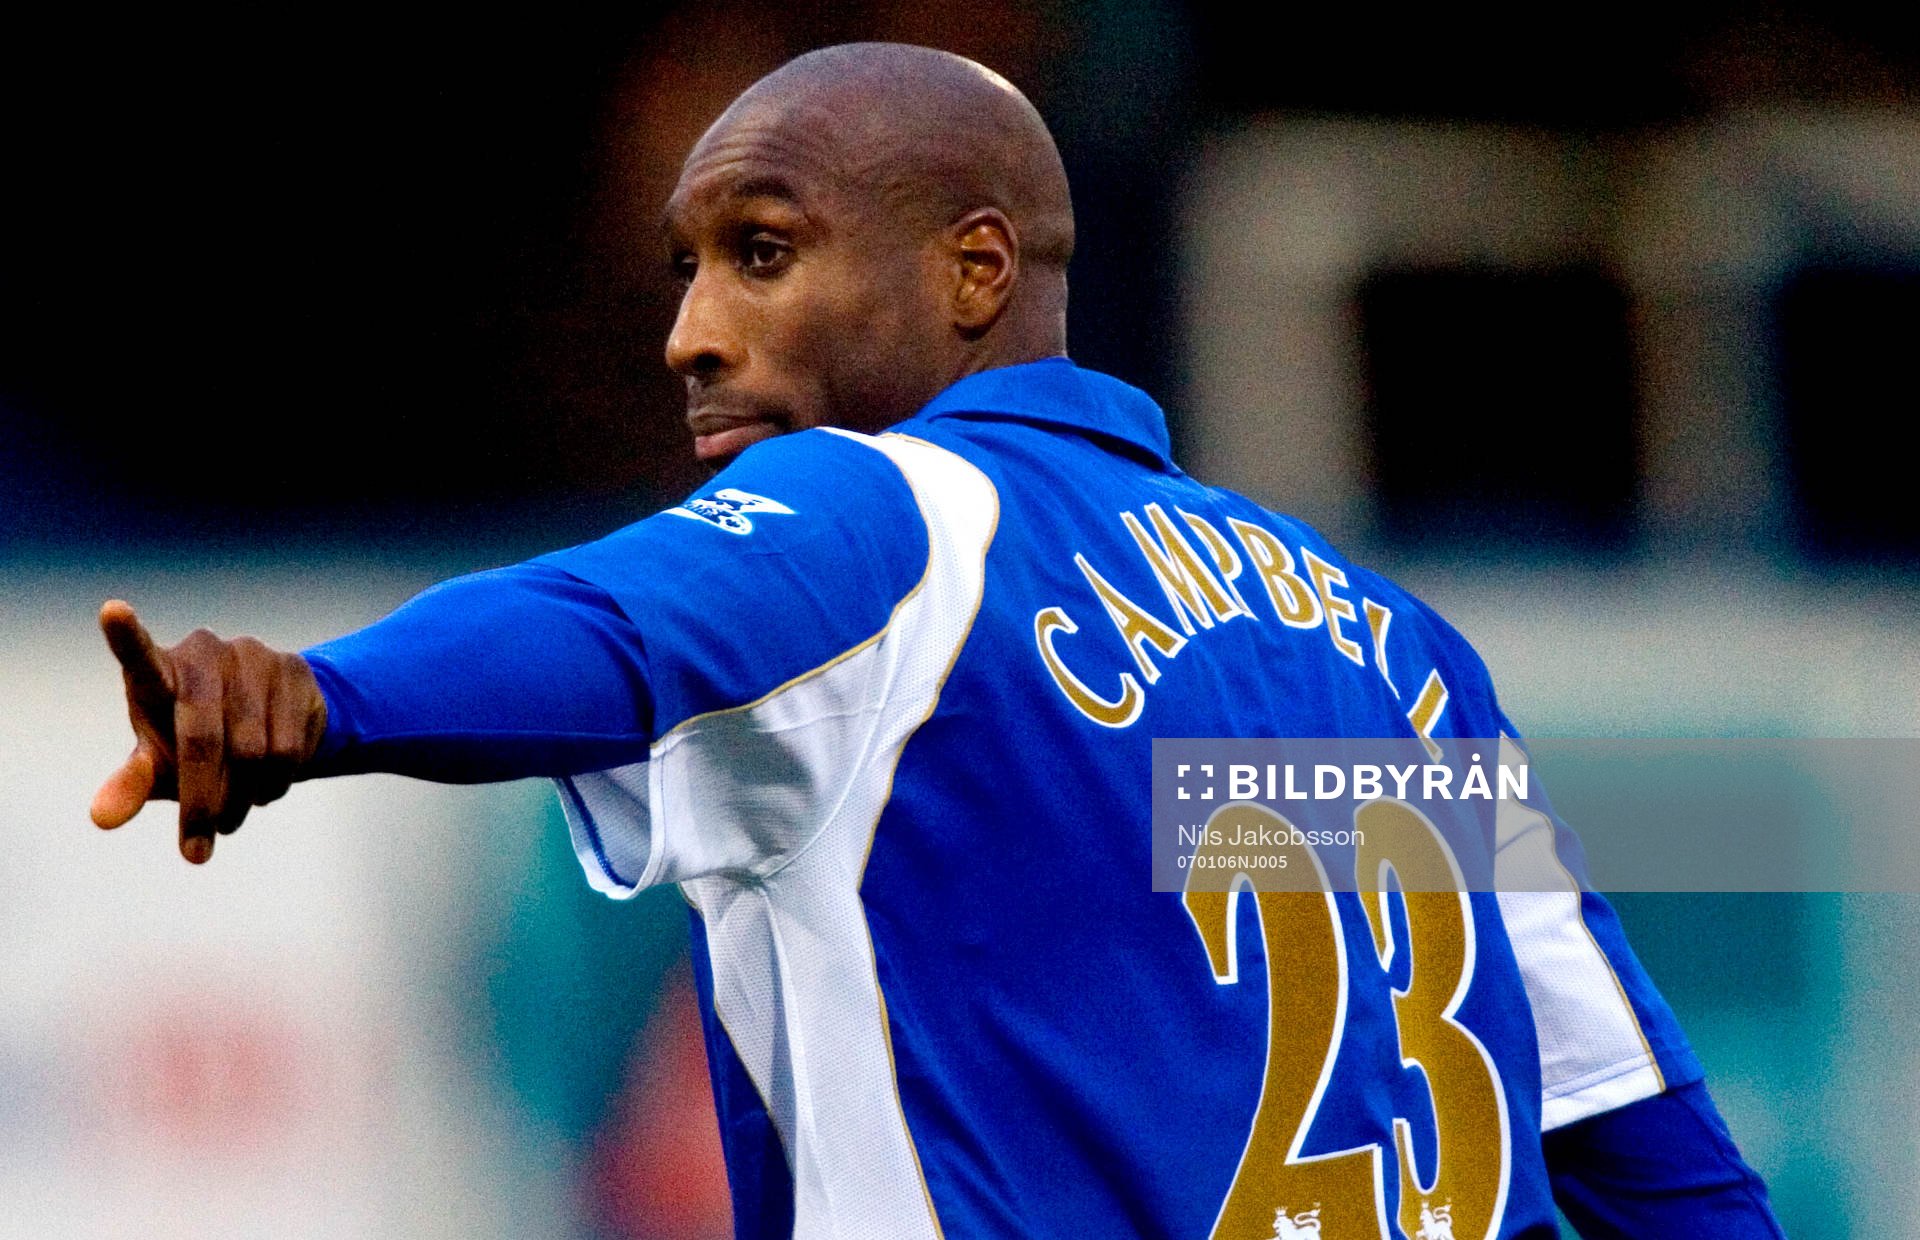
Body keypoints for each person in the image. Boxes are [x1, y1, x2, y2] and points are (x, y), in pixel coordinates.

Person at [92, 43, 1784, 1239]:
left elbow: (607, 627)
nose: (691, 331)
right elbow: (1647, 1152)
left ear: (975, 269)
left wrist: (323, 698)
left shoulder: (900, 520)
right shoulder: (1390, 649)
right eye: (688, 268)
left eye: (762, 255)